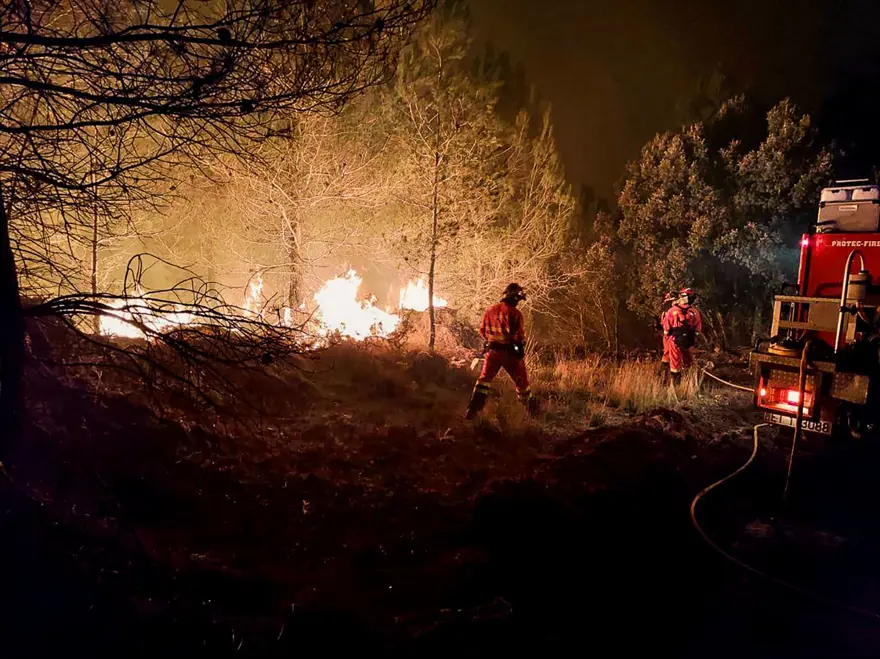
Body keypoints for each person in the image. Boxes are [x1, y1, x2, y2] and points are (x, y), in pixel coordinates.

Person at [465, 283, 532, 419]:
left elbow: (482, 331)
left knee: (483, 381)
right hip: (510, 354)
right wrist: (519, 350)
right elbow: (519, 336)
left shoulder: (490, 310)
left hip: (492, 352)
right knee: (521, 382)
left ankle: (473, 411)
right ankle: (530, 411)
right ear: (514, 298)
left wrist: (492, 340)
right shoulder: (515, 314)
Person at [662, 286, 702, 383]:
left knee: (674, 360)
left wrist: (667, 335)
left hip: (674, 340)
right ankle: (690, 379)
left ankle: (674, 382)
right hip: (689, 340)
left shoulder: (671, 311)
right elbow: (698, 328)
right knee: (688, 359)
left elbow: (666, 329)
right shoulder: (695, 312)